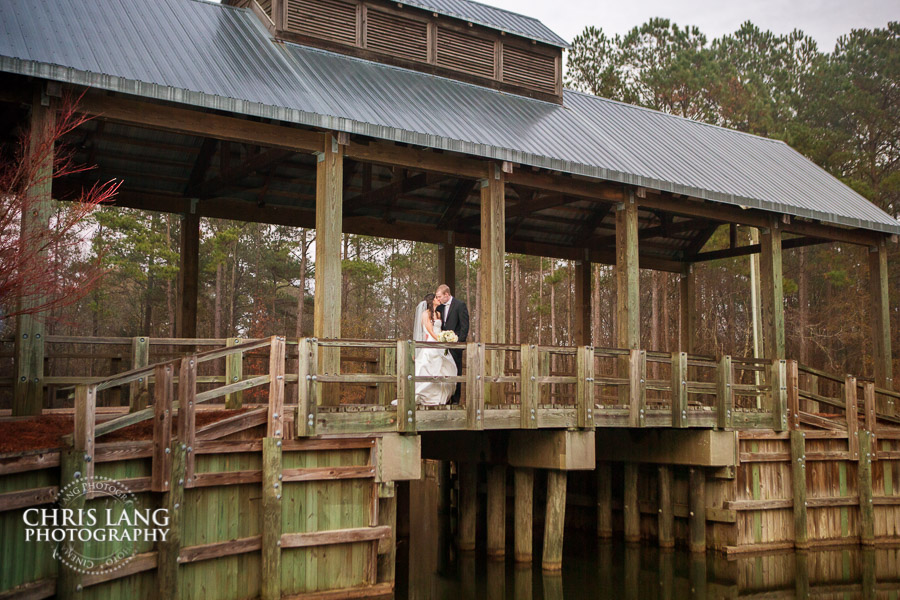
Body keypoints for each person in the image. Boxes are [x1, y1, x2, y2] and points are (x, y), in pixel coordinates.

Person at [412, 293, 456, 405]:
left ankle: (438, 398)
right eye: (437, 298)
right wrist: (440, 339)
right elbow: (430, 331)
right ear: (432, 301)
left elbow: (439, 329)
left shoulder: (438, 314)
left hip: (440, 343)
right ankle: (424, 396)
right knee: (429, 367)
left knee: (445, 368)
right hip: (432, 343)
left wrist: (446, 337)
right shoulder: (425, 314)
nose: (439, 299)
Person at [435, 284, 469, 404]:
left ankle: (455, 400)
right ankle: (444, 398)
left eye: (439, 296)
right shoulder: (439, 308)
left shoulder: (460, 305)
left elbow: (465, 326)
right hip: (441, 345)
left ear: (447, 294)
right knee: (443, 371)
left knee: (456, 372)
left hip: (455, 346)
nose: (438, 299)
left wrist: (458, 341)